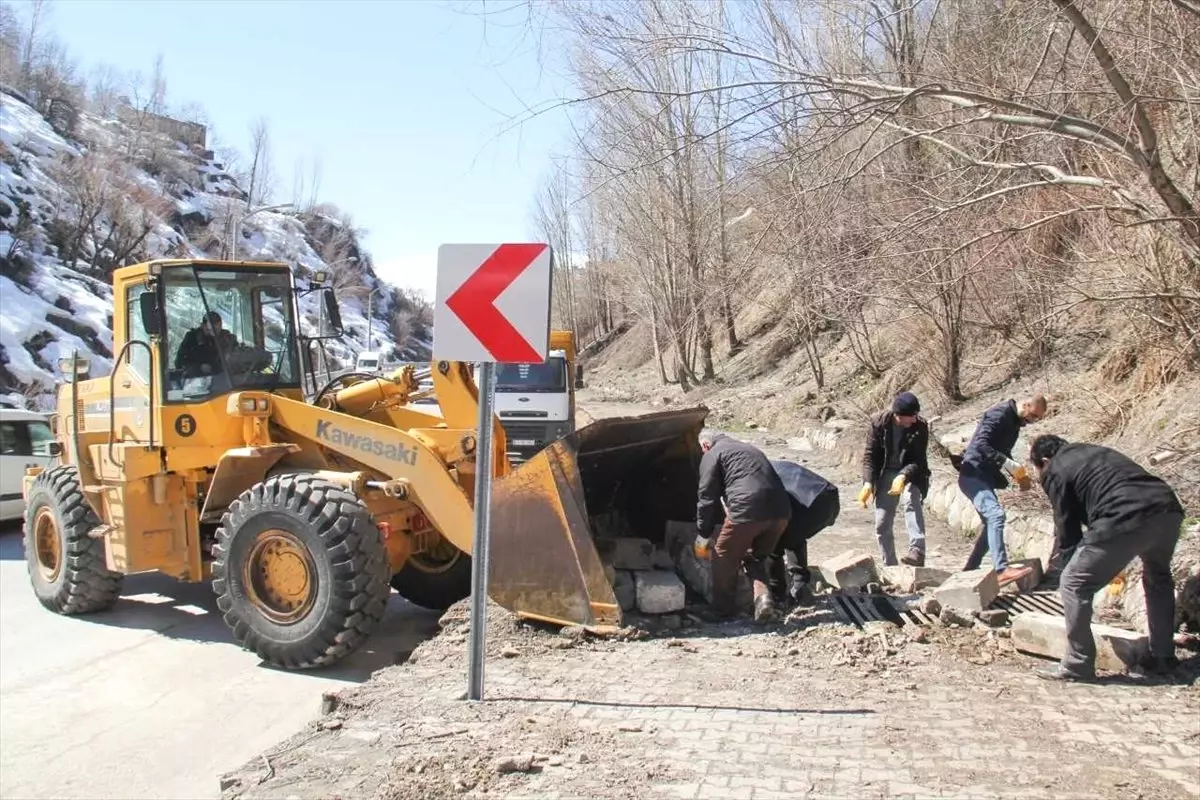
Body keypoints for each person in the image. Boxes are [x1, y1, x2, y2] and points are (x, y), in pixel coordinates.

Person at [1029, 434, 1185, 681]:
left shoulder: (1055, 469)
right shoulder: (1094, 451)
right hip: (1167, 509)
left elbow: (1066, 530)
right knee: (1158, 579)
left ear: (1044, 460)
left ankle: (1077, 665)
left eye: (1037, 469)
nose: (1039, 475)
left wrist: (1069, 570)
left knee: (1073, 584)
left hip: (1125, 515)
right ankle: (1163, 656)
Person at [694, 431, 792, 623]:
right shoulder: (749, 449)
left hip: (748, 509)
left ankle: (722, 611)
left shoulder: (713, 454)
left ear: (705, 446)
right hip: (781, 511)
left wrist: (703, 534)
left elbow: (706, 497)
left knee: (722, 554)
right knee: (754, 558)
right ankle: (763, 601)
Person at [958, 394, 1048, 585]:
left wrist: (1017, 471)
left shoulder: (1014, 421)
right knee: (996, 516)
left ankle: (970, 569)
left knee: (990, 523)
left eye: (1036, 419)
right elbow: (981, 444)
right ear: (1025, 404)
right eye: (1032, 416)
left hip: (985, 476)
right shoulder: (999, 414)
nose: (1031, 421)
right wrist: (1009, 465)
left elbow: (1001, 449)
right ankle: (1001, 570)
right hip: (973, 473)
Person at [858, 391, 931, 567]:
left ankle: (917, 551)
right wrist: (868, 482)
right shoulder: (878, 423)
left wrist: (903, 476)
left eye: (916, 415)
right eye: (911, 416)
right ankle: (890, 565)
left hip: (911, 472)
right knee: (882, 523)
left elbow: (918, 460)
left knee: (911, 498)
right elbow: (870, 456)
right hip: (886, 471)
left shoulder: (920, 426)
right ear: (898, 415)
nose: (914, 419)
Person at [767, 459, 840, 607]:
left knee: (771, 545)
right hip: (828, 497)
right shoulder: (768, 465)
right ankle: (800, 587)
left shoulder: (755, 474)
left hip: (811, 502)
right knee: (792, 536)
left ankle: (777, 596)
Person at [175, 311, 239, 378]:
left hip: (224, 380)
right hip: (196, 380)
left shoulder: (227, 338)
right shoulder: (192, 338)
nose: (216, 330)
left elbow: (238, 354)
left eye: (218, 326)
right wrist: (199, 367)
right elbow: (179, 362)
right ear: (203, 325)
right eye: (212, 327)